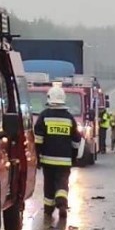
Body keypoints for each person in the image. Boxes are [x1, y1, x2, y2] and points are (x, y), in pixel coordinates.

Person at [34, 85, 80, 218]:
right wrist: (74, 157)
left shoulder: (44, 116)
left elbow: (38, 140)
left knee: (48, 184)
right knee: (62, 182)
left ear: (49, 98)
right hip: (65, 160)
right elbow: (76, 140)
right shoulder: (69, 118)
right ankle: (62, 202)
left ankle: (48, 209)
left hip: (47, 159)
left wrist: (37, 157)